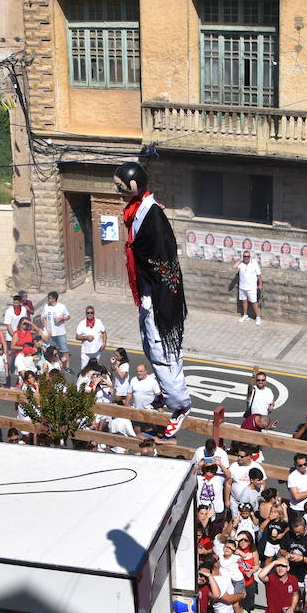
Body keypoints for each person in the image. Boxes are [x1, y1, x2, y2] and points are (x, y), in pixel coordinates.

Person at [115, 161, 192, 439]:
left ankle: (180, 406)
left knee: (164, 354)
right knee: (150, 347)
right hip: (148, 294)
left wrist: (157, 298)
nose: (118, 191)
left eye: (122, 187)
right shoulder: (138, 210)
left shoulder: (152, 216)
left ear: (135, 186)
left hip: (159, 298)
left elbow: (163, 259)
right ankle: (169, 395)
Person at [40, 292, 72, 372]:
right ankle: (54, 365)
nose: (48, 299)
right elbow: (43, 317)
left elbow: (68, 316)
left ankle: (67, 367)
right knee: (52, 351)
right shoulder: (46, 307)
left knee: (64, 350)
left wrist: (61, 319)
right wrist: (45, 328)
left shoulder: (61, 307)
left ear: (54, 299)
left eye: (49, 298)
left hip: (60, 333)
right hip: (51, 334)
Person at [234, 251, 263, 325]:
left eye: (248, 256)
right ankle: (245, 315)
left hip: (252, 287)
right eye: (244, 256)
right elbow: (233, 267)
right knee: (244, 301)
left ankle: (258, 317)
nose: (246, 258)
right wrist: (241, 260)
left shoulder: (254, 263)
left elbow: (259, 274)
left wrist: (260, 283)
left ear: (250, 257)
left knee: (254, 302)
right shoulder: (241, 264)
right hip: (242, 287)